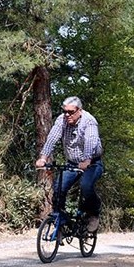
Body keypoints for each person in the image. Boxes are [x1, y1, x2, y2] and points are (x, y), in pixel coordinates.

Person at [35, 96, 103, 232]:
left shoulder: (89, 121)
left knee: (86, 186)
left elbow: (91, 141)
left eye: (70, 112)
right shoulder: (62, 120)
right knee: (59, 188)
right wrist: (43, 157)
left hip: (92, 163)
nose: (67, 115)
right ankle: (60, 218)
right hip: (72, 163)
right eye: (65, 111)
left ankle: (93, 212)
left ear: (79, 110)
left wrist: (87, 160)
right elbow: (52, 138)